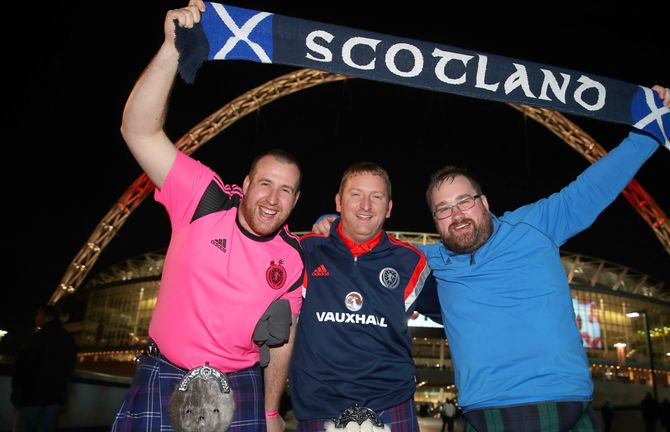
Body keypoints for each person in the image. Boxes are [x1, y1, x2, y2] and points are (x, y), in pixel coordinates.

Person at [315, 85, 670, 431]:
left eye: (465, 201)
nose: (457, 215)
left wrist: (648, 132)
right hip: (484, 413)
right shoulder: (427, 260)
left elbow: (594, 186)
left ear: (484, 203)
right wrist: (335, 224)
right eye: (443, 209)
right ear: (436, 222)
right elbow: (376, 248)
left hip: (561, 402)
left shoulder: (535, 226)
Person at [112, 2, 304, 431]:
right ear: (246, 183)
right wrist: (171, 49)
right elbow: (138, 129)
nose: (272, 198)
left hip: (240, 388)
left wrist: (272, 411)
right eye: (265, 183)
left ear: (296, 201)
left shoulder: (292, 257)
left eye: (286, 190)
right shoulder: (204, 197)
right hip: (165, 376)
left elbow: (284, 339)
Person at [289, 162, 441, 431]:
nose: (366, 205)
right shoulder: (305, 252)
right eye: (356, 194)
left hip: (390, 407)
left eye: (376, 196)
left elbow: (458, 311)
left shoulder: (410, 262)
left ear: (389, 207)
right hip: (319, 408)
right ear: (338, 202)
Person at [11, 304, 77, 432]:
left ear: (46, 317)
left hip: (32, 394)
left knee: (26, 427)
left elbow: (24, 365)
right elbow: (69, 367)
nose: (35, 317)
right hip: (55, 395)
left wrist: (17, 388)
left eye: (38, 314)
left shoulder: (38, 337)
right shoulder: (68, 339)